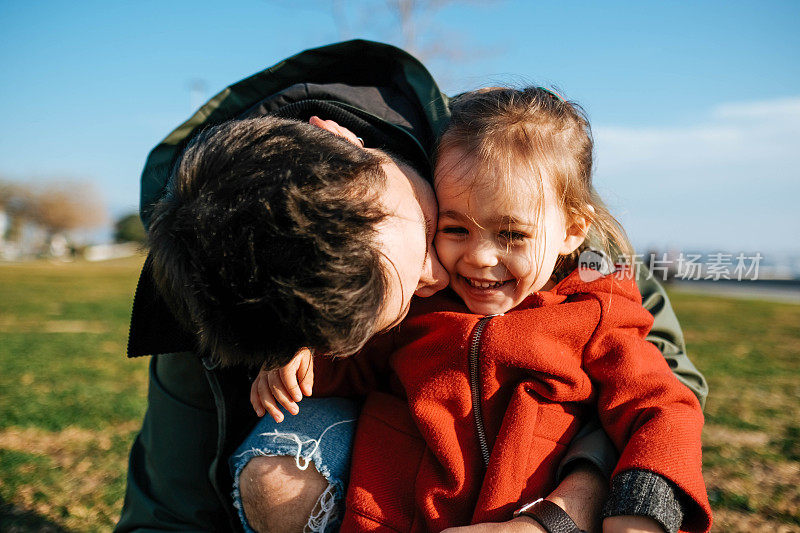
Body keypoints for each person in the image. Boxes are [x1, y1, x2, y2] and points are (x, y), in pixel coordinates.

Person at [117, 41, 707, 532]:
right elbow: (169, 500)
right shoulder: (205, 298)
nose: (448, 271)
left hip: (533, 479)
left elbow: (664, 383)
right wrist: (301, 361)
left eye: (427, 234)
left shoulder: (510, 169)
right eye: (450, 232)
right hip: (396, 483)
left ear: (343, 140)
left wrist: (573, 512)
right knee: (280, 470)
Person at [252, 88, 711, 532]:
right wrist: (304, 357)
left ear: (573, 231)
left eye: (512, 235)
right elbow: (356, 361)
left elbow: (661, 404)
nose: (480, 258)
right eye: (456, 229)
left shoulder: (595, 311)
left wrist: (644, 504)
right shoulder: (419, 306)